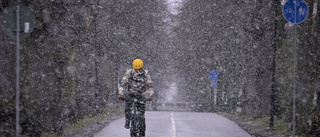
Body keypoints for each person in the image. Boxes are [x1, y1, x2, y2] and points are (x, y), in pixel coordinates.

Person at [118, 59, 154, 135]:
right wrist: (121, 94)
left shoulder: (146, 74)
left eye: (139, 69)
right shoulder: (129, 73)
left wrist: (151, 95)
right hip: (130, 94)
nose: (138, 71)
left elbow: (150, 86)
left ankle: (142, 131)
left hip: (141, 95)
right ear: (133, 68)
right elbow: (122, 84)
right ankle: (127, 121)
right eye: (136, 69)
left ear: (142, 68)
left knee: (141, 116)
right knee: (128, 109)